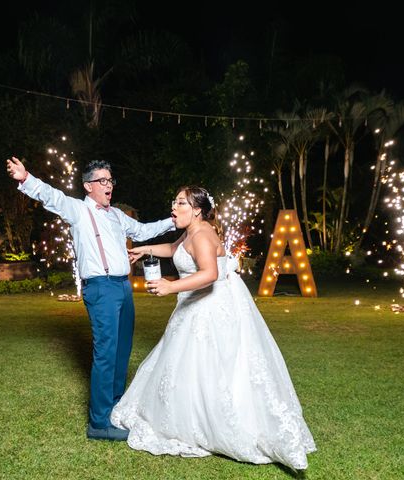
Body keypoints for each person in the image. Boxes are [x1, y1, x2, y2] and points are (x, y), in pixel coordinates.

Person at [111, 186, 316, 471]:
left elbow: (210, 274)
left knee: (210, 364)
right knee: (187, 364)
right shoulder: (192, 230)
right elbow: (173, 249)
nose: (173, 207)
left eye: (180, 202)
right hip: (195, 305)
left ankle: (216, 424)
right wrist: (143, 249)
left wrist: (172, 286)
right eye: (174, 201)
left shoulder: (204, 234)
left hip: (208, 308)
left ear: (196, 209)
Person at [6, 156, 174, 441]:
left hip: (123, 287)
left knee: (122, 349)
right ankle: (99, 422)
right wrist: (25, 178)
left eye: (110, 180)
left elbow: (143, 231)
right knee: (106, 353)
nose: (108, 185)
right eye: (102, 181)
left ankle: (116, 409)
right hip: (100, 288)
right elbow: (51, 196)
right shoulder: (78, 210)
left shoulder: (117, 215)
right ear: (88, 186)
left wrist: (172, 221)